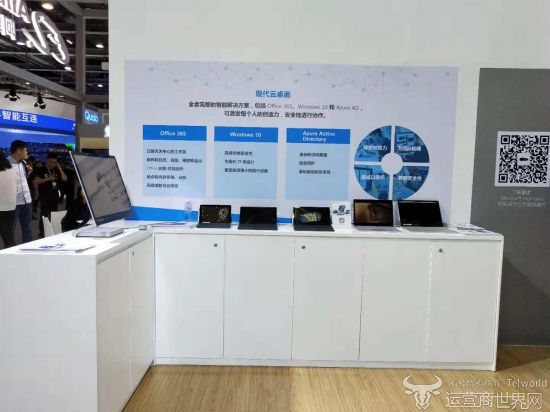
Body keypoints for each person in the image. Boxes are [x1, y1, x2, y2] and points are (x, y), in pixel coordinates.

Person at [33, 153, 67, 237]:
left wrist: (60, 168)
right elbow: (35, 181)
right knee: (44, 215)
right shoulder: (41, 169)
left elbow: (65, 179)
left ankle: (52, 231)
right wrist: (48, 178)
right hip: (44, 195)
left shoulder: (57, 169)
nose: (52, 164)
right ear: (47, 160)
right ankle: (42, 233)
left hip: (54, 196)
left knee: (53, 214)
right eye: (51, 162)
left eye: (54, 162)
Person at [8, 140, 33, 244]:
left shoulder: (24, 163)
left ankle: (28, 247)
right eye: (25, 150)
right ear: (19, 151)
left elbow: (22, 180)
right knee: (10, 229)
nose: (27, 152)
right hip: (13, 202)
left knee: (27, 227)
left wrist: (29, 173)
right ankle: (10, 250)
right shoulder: (6, 164)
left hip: (27, 200)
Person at [0, 152, 17, 248]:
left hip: (1, 207)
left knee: (7, 234)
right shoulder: (12, 171)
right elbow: (18, 189)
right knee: (7, 232)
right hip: (11, 206)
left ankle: (11, 252)